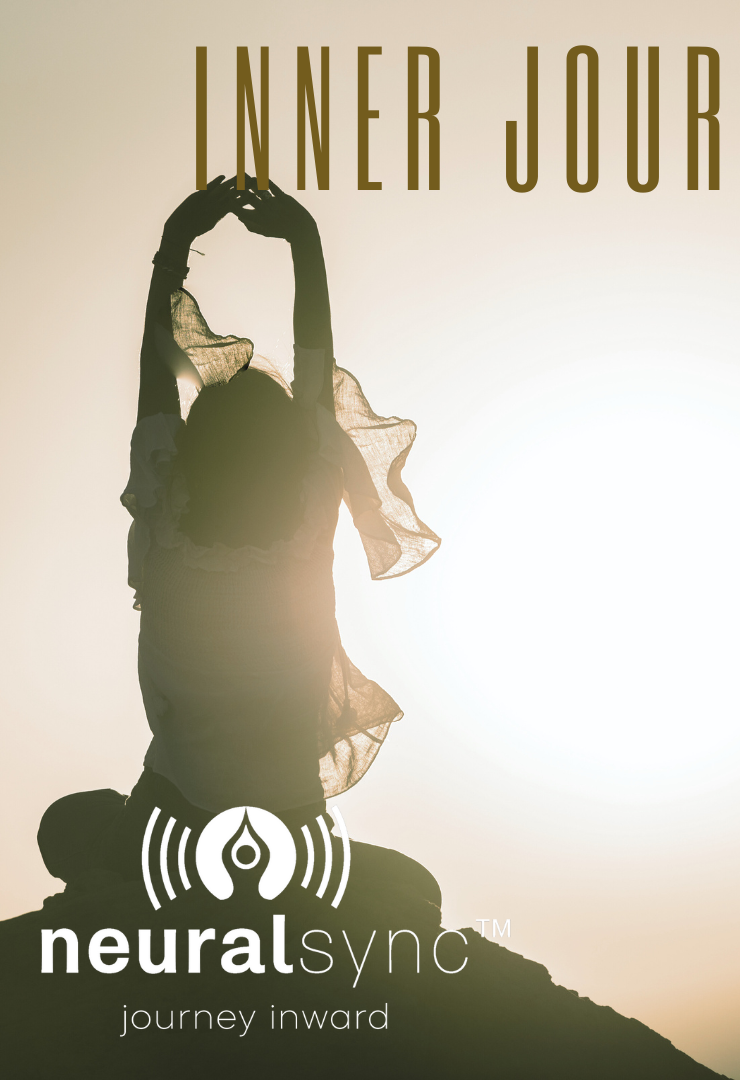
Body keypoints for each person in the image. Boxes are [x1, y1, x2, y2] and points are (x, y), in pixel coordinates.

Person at [37, 176, 441, 911]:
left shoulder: (166, 509)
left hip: (176, 801)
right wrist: (304, 243)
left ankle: (137, 882)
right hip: (288, 809)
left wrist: (174, 249)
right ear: (294, 448)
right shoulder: (309, 513)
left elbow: (157, 373)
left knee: (71, 827)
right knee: (412, 891)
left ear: (195, 445)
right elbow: (314, 363)